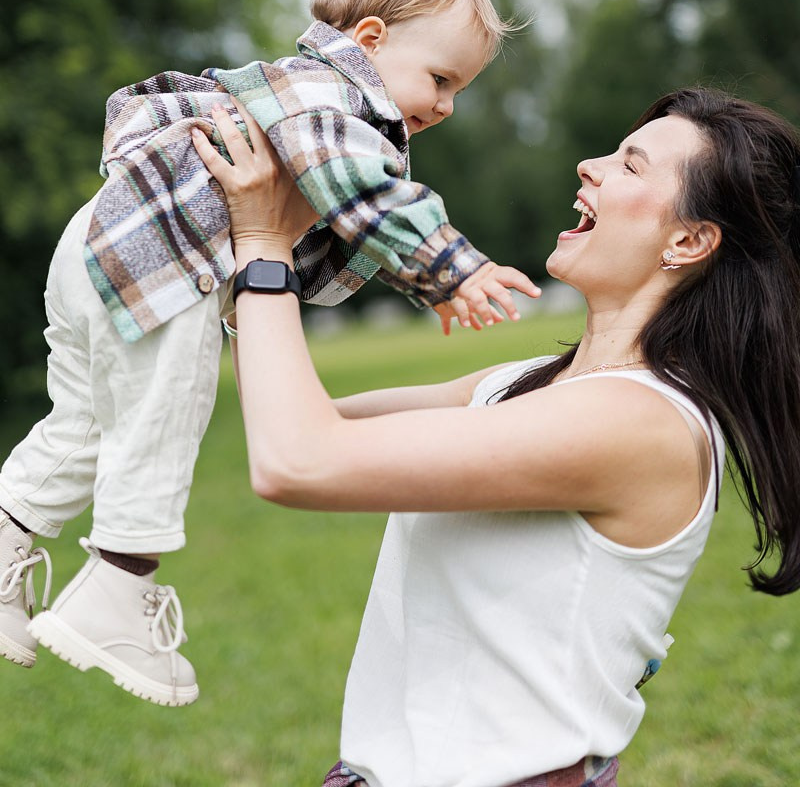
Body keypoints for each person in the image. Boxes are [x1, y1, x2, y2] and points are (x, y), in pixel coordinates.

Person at [191, 85, 800, 787]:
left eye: (630, 166)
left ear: (689, 241)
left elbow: (296, 462)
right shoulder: (527, 384)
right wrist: (288, 221)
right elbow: (293, 415)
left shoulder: (639, 422)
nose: (588, 165)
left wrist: (263, 248)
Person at [0, 0, 539, 707]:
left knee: (84, 421)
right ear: (372, 41)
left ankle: (4, 547)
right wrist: (457, 268)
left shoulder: (306, 97)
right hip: (165, 262)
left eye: (460, 90)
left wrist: (428, 289)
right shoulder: (330, 98)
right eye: (441, 78)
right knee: (165, 416)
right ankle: (116, 593)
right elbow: (365, 195)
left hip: (103, 245)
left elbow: (341, 215)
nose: (446, 105)